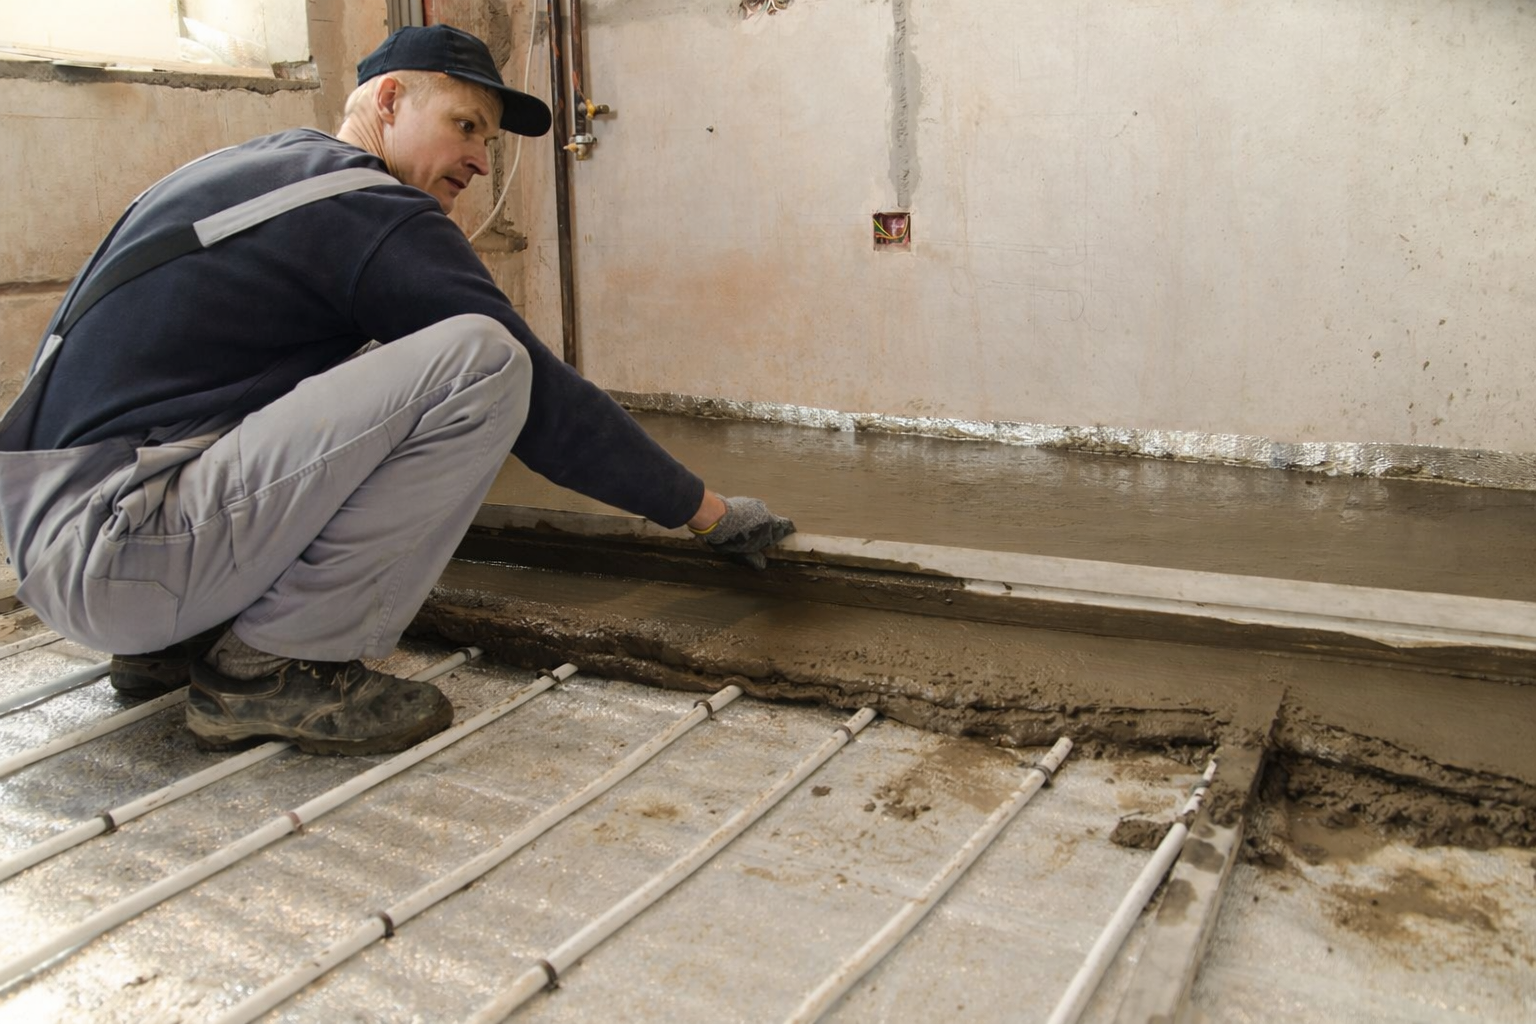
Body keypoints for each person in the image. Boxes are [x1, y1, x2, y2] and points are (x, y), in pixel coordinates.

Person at [0, 24, 793, 756]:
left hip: (60, 546)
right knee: (484, 360)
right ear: (389, 100)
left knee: (369, 366)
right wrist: (704, 511)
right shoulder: (369, 210)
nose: (483, 159)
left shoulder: (263, 168)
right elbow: (546, 400)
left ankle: (171, 646)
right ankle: (272, 670)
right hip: (124, 546)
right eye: (466, 124)